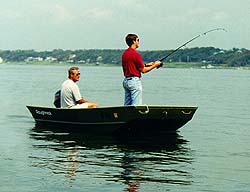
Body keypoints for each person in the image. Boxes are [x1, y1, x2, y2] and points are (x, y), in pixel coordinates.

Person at [122, 33, 162, 106]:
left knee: (127, 106)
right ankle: (135, 117)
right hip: (134, 81)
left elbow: (133, 66)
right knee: (136, 106)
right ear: (134, 41)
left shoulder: (125, 53)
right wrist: (155, 65)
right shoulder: (136, 54)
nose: (138, 42)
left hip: (126, 81)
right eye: (138, 40)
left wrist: (147, 64)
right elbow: (143, 70)